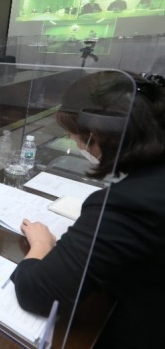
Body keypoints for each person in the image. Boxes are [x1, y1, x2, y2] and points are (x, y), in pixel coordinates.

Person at [11, 71, 165, 348]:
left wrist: (40, 245)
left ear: (94, 136)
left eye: (75, 138)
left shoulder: (129, 204)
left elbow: (37, 293)